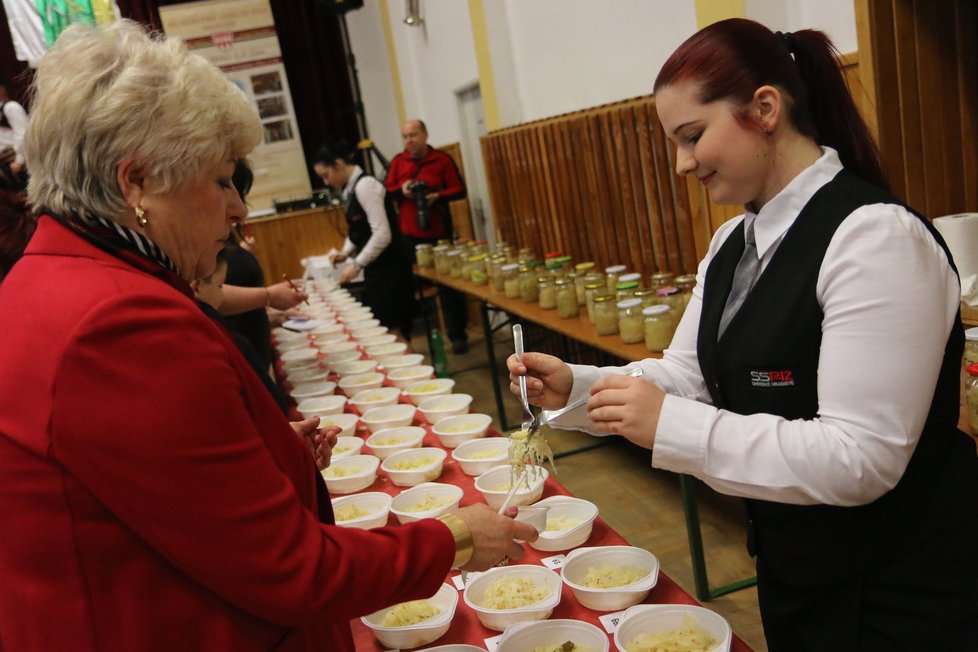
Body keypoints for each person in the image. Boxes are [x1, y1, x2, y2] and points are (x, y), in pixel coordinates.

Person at [0, 20, 535, 652]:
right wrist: (456, 538)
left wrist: (260, 451)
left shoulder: (53, 277)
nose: (238, 208)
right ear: (136, 181)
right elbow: (293, 571)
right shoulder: (116, 324)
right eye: (222, 179)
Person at [508, 18, 978, 651]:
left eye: (693, 136)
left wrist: (669, 426)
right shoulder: (735, 241)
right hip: (796, 566)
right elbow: (689, 377)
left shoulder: (875, 237)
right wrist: (577, 388)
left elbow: (861, 457)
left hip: (899, 586)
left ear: (764, 109)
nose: (681, 163)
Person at [313, 139, 415, 340]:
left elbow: (382, 234)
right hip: (378, 270)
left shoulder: (365, 186)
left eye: (326, 175)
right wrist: (346, 252)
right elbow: (359, 229)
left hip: (390, 270)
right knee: (387, 331)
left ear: (339, 165)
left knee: (393, 333)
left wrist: (357, 265)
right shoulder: (350, 188)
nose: (326, 182)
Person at [384, 119, 471, 353]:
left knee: (450, 287)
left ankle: (457, 336)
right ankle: (410, 337)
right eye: (405, 136)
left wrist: (437, 196)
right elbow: (385, 191)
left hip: (439, 234)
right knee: (408, 288)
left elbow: (459, 190)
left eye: (413, 135)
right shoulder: (397, 163)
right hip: (408, 236)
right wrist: (401, 190)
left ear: (425, 135)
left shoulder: (441, 160)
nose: (409, 140)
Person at [194, 246, 291, 415]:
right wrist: (269, 296)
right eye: (220, 286)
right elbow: (274, 407)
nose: (223, 294)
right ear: (196, 287)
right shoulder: (224, 340)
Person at [0, 75, 28, 191]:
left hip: (15, 161)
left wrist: (19, 161)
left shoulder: (11, 107)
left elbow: (23, 134)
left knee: (25, 196)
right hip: (4, 163)